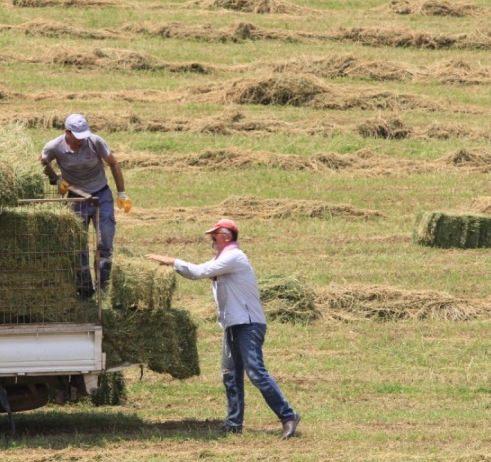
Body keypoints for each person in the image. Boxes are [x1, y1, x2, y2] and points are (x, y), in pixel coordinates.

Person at [145, 218, 300, 439]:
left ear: (227, 237)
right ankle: (234, 423)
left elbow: (199, 272)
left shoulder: (234, 256)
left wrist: (171, 261)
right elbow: (199, 272)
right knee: (231, 375)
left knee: (256, 372)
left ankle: (288, 416)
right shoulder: (223, 259)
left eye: (215, 235)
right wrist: (174, 265)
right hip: (233, 324)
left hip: (248, 324)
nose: (211, 238)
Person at [40, 113, 130, 298]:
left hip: (101, 195)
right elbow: (42, 161)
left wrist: (121, 193)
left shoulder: (95, 142)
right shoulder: (54, 146)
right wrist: (56, 180)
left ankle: (103, 286)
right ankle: (85, 288)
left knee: (105, 242)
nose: (82, 140)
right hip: (77, 199)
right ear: (67, 132)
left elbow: (113, 163)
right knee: (78, 244)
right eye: (77, 136)